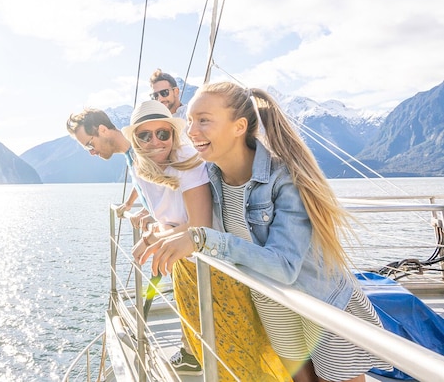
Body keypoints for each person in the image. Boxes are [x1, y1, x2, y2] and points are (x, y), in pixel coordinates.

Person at [140, 82, 391, 382]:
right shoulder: (212, 176)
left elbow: (283, 266)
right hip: (272, 304)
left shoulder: (284, 179)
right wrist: (161, 230)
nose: (191, 131)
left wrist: (201, 240)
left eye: (204, 120)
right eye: (191, 121)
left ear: (239, 126)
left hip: (321, 302)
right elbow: (196, 219)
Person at [129, 99, 291, 382]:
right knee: (203, 342)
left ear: (172, 133)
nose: (155, 141)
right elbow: (170, 218)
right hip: (185, 264)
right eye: (145, 135)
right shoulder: (141, 170)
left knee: (236, 344)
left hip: (214, 264)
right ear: (135, 139)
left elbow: (199, 226)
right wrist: (156, 231)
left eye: (162, 133)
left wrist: (156, 239)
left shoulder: (187, 162)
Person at [66, 105, 201, 374]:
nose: (91, 152)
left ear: (102, 129)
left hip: (189, 240)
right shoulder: (132, 155)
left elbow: (177, 196)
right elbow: (156, 189)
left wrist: (155, 232)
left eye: (89, 144)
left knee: (194, 296)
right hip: (178, 235)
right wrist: (143, 211)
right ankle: (191, 351)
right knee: (187, 297)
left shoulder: (144, 152)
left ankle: (193, 354)